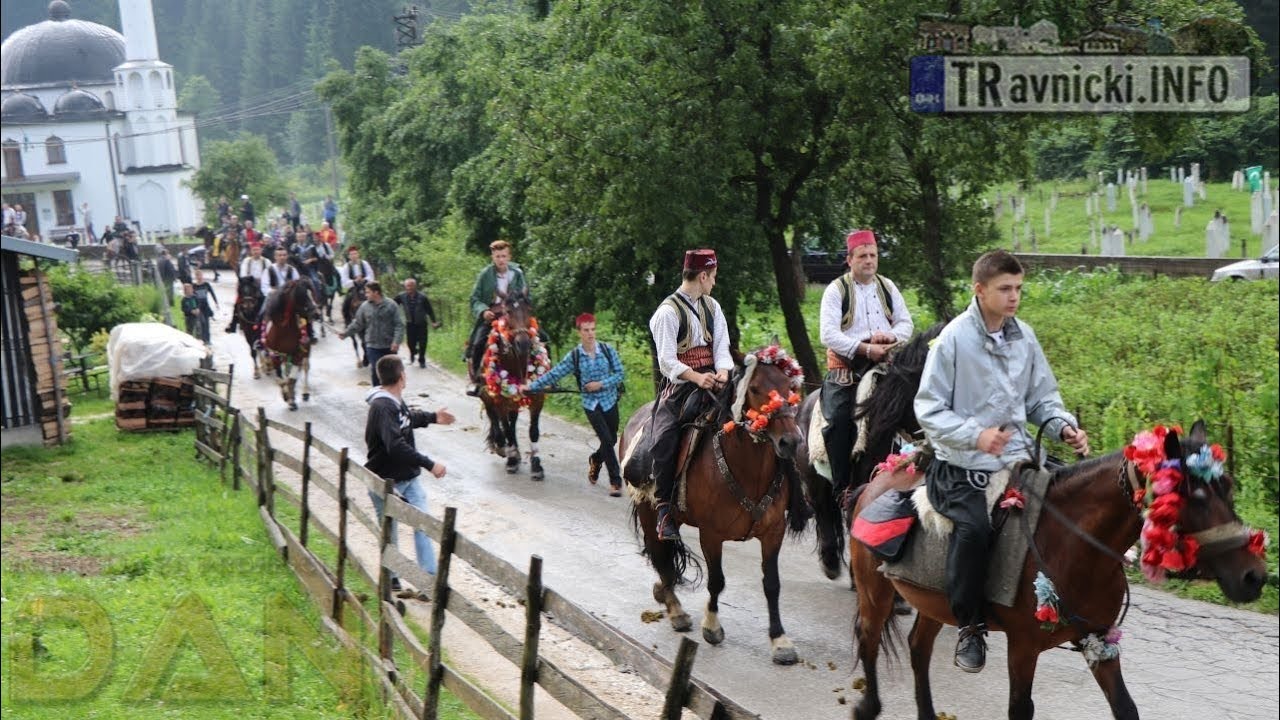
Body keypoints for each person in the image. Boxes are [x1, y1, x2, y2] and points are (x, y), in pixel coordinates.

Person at [914, 249, 1090, 674]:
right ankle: (970, 626)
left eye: (1019, 289)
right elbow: (928, 409)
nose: (1014, 297)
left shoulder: (1024, 336)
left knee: (1071, 511)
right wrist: (976, 435)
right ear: (980, 290)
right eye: (1005, 289)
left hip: (1018, 460)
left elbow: (1041, 398)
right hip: (959, 467)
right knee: (974, 530)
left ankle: (1073, 609)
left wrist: (1061, 425)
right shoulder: (953, 339)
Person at [818, 229, 914, 501]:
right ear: (850, 260)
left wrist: (890, 336)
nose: (869, 260)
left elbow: (906, 323)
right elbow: (828, 334)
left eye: (873, 255)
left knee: (915, 409)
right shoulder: (836, 290)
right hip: (846, 369)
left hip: (885, 366)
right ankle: (842, 487)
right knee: (838, 419)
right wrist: (864, 347)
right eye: (862, 256)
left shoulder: (887, 287)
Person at [648, 249, 733, 540]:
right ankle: (663, 509)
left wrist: (722, 371)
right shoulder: (667, 313)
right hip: (683, 386)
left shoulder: (712, 307)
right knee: (663, 438)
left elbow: (722, 347)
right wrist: (698, 377)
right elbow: (667, 362)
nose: (714, 284)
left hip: (715, 381)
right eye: (713, 278)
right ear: (703, 275)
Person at [363, 354, 456, 597]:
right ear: (402, 376)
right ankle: (392, 577)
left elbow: (407, 419)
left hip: (408, 478)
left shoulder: (394, 401)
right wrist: (429, 463)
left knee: (422, 523)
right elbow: (395, 445)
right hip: (385, 481)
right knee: (389, 528)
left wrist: (433, 417)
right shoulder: (382, 406)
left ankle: (428, 580)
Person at [527, 313, 627, 496]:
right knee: (606, 439)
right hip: (591, 404)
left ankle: (596, 460)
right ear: (579, 332)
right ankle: (615, 481)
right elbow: (554, 374)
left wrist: (601, 384)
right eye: (586, 330)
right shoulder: (574, 356)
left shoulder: (607, 350)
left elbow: (620, 374)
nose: (590, 333)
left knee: (611, 439)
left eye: (592, 329)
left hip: (610, 400)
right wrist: (532, 387)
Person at [465, 240, 529, 395]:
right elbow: (475, 298)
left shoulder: (518, 273)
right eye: (498, 256)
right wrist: (483, 311)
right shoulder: (485, 275)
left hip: (515, 315)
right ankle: (477, 381)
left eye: (504, 256)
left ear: (509, 257)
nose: (501, 260)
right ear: (492, 257)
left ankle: (545, 377)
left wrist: (523, 307)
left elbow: (526, 296)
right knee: (478, 342)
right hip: (493, 316)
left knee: (539, 337)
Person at [339, 281, 405, 386]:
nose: (366, 295)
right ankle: (377, 395)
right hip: (372, 345)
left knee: (391, 373)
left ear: (376, 292)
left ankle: (393, 395)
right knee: (376, 370)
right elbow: (358, 323)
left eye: (368, 292)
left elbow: (399, 325)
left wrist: (396, 341)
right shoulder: (364, 307)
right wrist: (346, 333)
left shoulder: (391, 305)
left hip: (389, 345)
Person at [395, 279, 440, 369]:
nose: (409, 288)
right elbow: (392, 304)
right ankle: (413, 353)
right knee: (410, 343)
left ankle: (422, 360)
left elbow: (429, 310)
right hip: (410, 323)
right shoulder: (402, 296)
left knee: (423, 342)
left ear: (415, 286)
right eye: (407, 286)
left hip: (421, 323)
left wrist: (434, 321)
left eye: (411, 286)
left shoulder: (422, 297)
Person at [191, 269, 219, 345]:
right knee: (201, 322)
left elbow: (212, 293)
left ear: (202, 276)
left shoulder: (206, 284)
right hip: (198, 306)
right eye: (197, 275)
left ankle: (207, 339)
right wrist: (193, 307)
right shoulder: (194, 286)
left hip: (205, 306)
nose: (199, 277)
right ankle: (202, 339)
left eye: (200, 275)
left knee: (206, 323)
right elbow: (192, 297)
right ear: (195, 277)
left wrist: (216, 302)